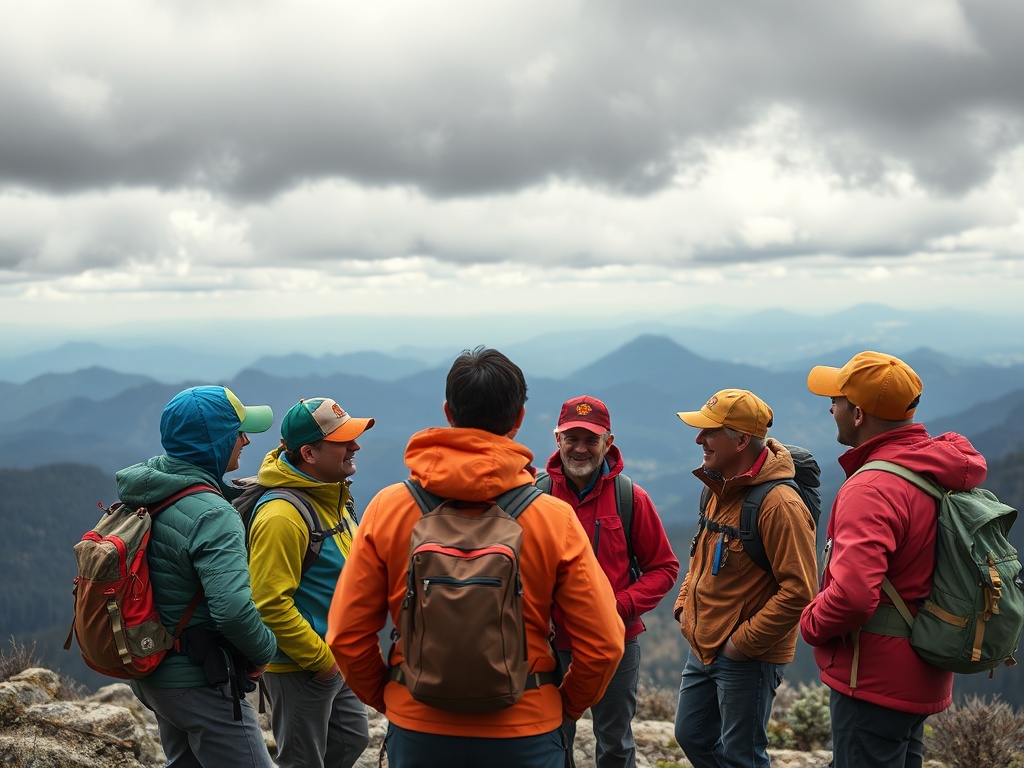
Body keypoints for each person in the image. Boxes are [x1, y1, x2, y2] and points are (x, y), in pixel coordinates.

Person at [325, 346, 625, 768]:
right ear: (519, 418)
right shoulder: (553, 517)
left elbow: (345, 635)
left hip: (418, 727)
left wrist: (393, 698)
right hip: (527, 732)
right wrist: (562, 708)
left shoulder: (388, 508)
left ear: (448, 412)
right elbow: (604, 644)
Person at [800, 351, 986, 768]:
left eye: (837, 400)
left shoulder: (872, 487)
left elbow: (852, 597)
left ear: (858, 414)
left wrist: (810, 622)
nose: (831, 409)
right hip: (922, 668)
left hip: (874, 679)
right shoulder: (933, 468)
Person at [114, 385, 278, 767]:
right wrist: (264, 651)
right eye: (238, 432)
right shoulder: (213, 514)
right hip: (199, 679)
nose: (246, 440)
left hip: (154, 673)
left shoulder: (151, 488)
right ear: (216, 442)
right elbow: (232, 610)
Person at [672, 389, 818, 768]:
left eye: (710, 432)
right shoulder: (717, 486)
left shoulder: (780, 504)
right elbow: (700, 555)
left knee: (743, 756)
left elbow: (801, 590)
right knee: (691, 735)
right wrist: (685, 606)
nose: (699, 439)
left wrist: (741, 644)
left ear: (740, 441)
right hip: (703, 642)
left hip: (747, 656)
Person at [541, 395, 679, 768]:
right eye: (572, 438)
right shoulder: (537, 497)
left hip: (616, 644)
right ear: (557, 439)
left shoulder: (630, 498)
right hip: (550, 644)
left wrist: (616, 608)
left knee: (615, 742)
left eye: (591, 439)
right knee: (552, 740)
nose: (580, 448)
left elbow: (664, 568)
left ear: (608, 442)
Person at [247, 397, 375, 768]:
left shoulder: (332, 494)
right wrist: (322, 661)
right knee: (303, 760)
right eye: (343, 440)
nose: (356, 446)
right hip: (300, 666)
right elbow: (269, 605)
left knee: (351, 739)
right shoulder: (282, 516)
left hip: (335, 654)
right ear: (309, 453)